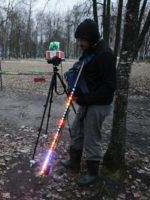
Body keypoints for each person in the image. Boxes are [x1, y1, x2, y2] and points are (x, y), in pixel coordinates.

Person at [61, 19, 116, 186]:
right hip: (87, 100)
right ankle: (74, 163)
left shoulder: (104, 54)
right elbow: (86, 74)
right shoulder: (90, 50)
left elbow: (110, 86)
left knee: (92, 137)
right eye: (77, 40)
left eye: (82, 40)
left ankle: (93, 173)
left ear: (91, 38)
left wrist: (86, 99)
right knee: (77, 129)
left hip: (99, 104)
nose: (79, 43)